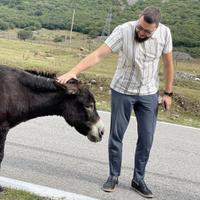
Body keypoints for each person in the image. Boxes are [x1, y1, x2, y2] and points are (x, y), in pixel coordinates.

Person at [57, 6, 174, 198]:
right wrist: (73, 72)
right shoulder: (123, 30)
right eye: (140, 27)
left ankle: (138, 179)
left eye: (147, 31)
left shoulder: (165, 34)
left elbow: (169, 64)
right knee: (116, 135)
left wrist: (168, 93)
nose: (142, 33)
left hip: (148, 93)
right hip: (122, 91)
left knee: (147, 138)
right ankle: (113, 176)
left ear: (157, 28)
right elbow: (98, 54)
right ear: (138, 19)